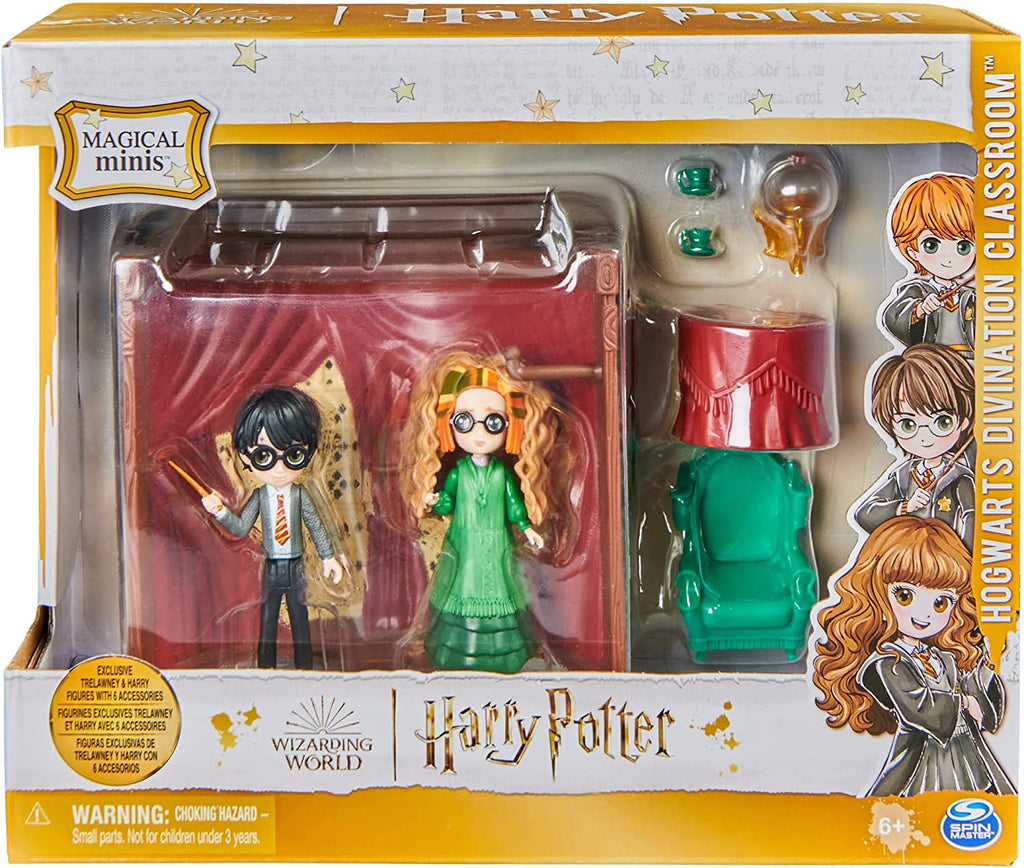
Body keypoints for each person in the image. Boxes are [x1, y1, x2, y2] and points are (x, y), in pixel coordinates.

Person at [813, 517, 1014, 796]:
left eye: (940, 602)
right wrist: (964, 702)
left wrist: (986, 661)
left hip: (968, 757)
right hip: (923, 763)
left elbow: (985, 710)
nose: (924, 614)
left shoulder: (944, 659)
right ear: (876, 592)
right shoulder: (887, 663)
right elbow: (924, 711)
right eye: (905, 596)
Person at [399, 352, 559, 673]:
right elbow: (448, 502)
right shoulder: (459, 472)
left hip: (498, 545)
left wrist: (527, 527)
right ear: (449, 424)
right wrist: (434, 501)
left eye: (493, 422)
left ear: (510, 426)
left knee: (500, 591)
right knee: (464, 586)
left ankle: (504, 656)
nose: (479, 432)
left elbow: (514, 505)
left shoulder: (501, 473)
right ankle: (458, 654)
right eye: (464, 421)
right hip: (464, 544)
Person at [202, 386, 346, 669]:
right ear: (246, 457)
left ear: (310, 451)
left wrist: (328, 557)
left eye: (293, 455)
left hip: (296, 566)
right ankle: (264, 668)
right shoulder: (259, 497)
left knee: (300, 618)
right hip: (270, 567)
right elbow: (241, 528)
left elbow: (316, 526)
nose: (279, 469)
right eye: (263, 456)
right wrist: (220, 511)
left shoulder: (300, 495)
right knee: (267, 618)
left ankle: (305, 668)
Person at [854, 344, 975, 550]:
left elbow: (972, 519)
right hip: (905, 557)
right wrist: (904, 507)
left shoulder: (959, 477)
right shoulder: (903, 475)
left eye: (942, 422)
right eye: (908, 425)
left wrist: (964, 557)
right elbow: (865, 514)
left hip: (944, 558)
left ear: (962, 422)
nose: (925, 437)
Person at [881, 173, 975, 356]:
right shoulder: (917, 291)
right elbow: (893, 318)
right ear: (912, 251)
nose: (948, 258)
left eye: (963, 247)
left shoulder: (970, 296)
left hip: (968, 364)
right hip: (932, 363)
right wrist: (920, 309)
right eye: (931, 245)